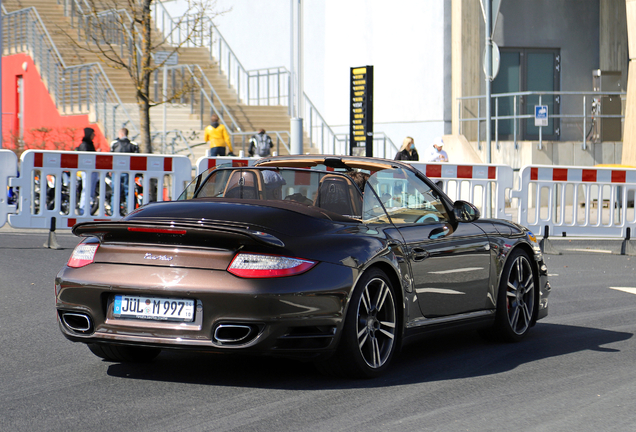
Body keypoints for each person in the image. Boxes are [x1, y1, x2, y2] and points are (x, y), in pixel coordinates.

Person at [110, 128, 139, 215]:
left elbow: (110, 157)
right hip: (128, 171)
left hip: (116, 170)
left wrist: (110, 170)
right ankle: (130, 211)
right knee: (129, 191)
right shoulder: (133, 144)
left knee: (115, 192)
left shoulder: (114, 143)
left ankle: (114, 211)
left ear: (121, 134)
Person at [76, 127, 98, 215]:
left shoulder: (88, 144)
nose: (94, 135)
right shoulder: (85, 144)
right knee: (87, 190)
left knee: (89, 190)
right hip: (87, 171)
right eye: (93, 133)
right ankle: (83, 209)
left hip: (91, 170)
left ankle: (86, 209)